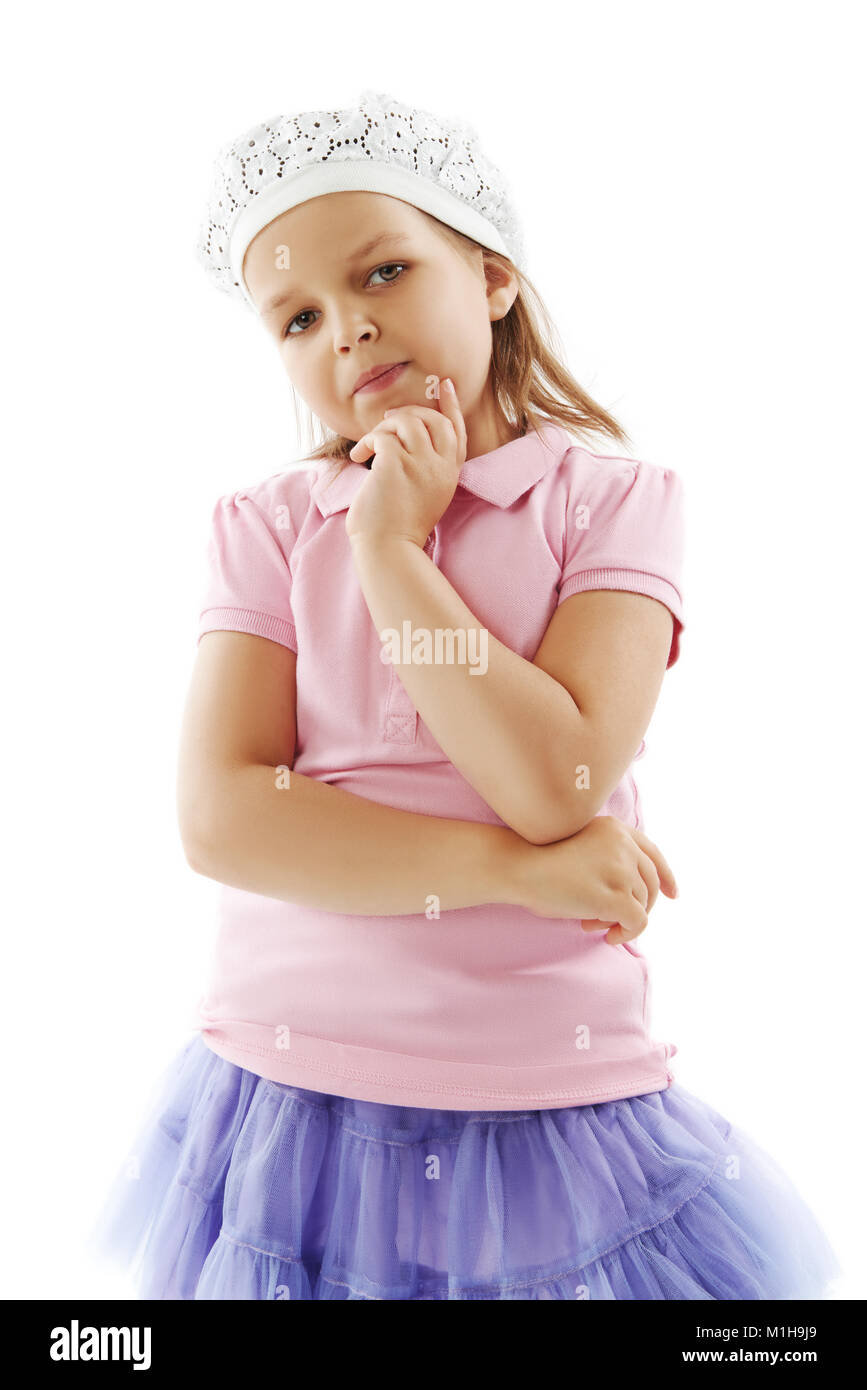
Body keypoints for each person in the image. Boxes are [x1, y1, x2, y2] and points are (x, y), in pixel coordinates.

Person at [86, 90, 841, 1300]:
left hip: (543, 1100)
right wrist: (508, 871)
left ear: (492, 275)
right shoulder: (270, 530)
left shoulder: (610, 504)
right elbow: (224, 818)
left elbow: (558, 780)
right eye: (298, 316)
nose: (348, 331)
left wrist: (393, 557)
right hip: (294, 1098)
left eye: (385, 272)